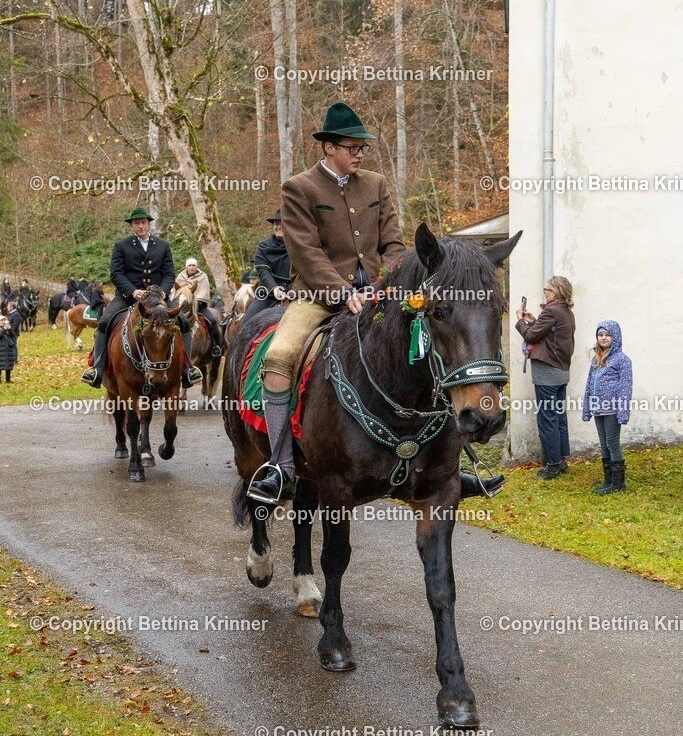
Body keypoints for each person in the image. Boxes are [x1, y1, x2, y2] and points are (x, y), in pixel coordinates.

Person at [248, 101, 504, 503]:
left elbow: (395, 245)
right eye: (352, 146)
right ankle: (280, 466)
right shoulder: (299, 188)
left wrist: (384, 286)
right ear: (328, 147)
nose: (360, 153)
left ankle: (450, 466)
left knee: (430, 352)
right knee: (279, 357)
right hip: (318, 297)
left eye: (363, 147)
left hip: (381, 295)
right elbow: (306, 252)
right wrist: (343, 293)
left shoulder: (377, 184)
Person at [81, 206, 202, 389]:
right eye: (136, 223)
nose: (140, 226)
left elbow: (169, 272)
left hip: (157, 297)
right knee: (104, 323)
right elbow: (116, 273)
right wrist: (132, 291)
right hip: (128, 297)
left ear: (148, 224)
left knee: (183, 322)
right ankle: (97, 370)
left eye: (143, 223)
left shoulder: (162, 245)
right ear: (132, 226)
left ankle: (187, 369)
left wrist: (163, 290)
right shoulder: (121, 245)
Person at [515, 275, 576, 480]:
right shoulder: (566, 312)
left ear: (556, 292)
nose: (545, 293)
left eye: (547, 290)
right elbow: (549, 333)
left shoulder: (551, 310)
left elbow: (532, 336)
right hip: (560, 372)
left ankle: (552, 465)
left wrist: (520, 321)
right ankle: (561, 460)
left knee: (547, 419)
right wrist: (533, 320)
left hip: (547, 374)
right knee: (559, 417)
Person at [582, 321, 632, 494]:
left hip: (612, 409)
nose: (603, 338)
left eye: (607, 335)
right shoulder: (597, 359)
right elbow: (589, 383)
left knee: (612, 443)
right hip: (598, 408)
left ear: (615, 337)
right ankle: (608, 481)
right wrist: (587, 408)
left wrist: (623, 412)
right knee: (603, 445)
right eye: (600, 334)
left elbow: (625, 387)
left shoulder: (622, 360)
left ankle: (619, 483)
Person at [247, 209, 292, 319]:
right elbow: (263, 271)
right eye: (276, 223)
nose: (279, 226)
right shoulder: (263, 246)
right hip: (268, 294)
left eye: (282, 224)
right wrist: (275, 289)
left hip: (295, 292)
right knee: (247, 321)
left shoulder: (298, 246)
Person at [173, 257, 223, 357]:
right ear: (186, 267)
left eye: (193, 265)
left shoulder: (203, 276)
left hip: (199, 306)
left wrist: (195, 301)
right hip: (183, 307)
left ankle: (216, 346)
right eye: (189, 265)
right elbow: (176, 291)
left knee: (212, 321)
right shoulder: (180, 276)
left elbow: (204, 291)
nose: (192, 267)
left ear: (196, 266)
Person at [0, 316, 17, 383]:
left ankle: (8, 379)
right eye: (1, 320)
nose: (3, 322)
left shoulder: (7, 328)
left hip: (7, 349)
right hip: (1, 349)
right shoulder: (3, 329)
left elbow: (13, 336)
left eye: (4, 320)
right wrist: (4, 329)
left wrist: (10, 329)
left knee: (8, 365)